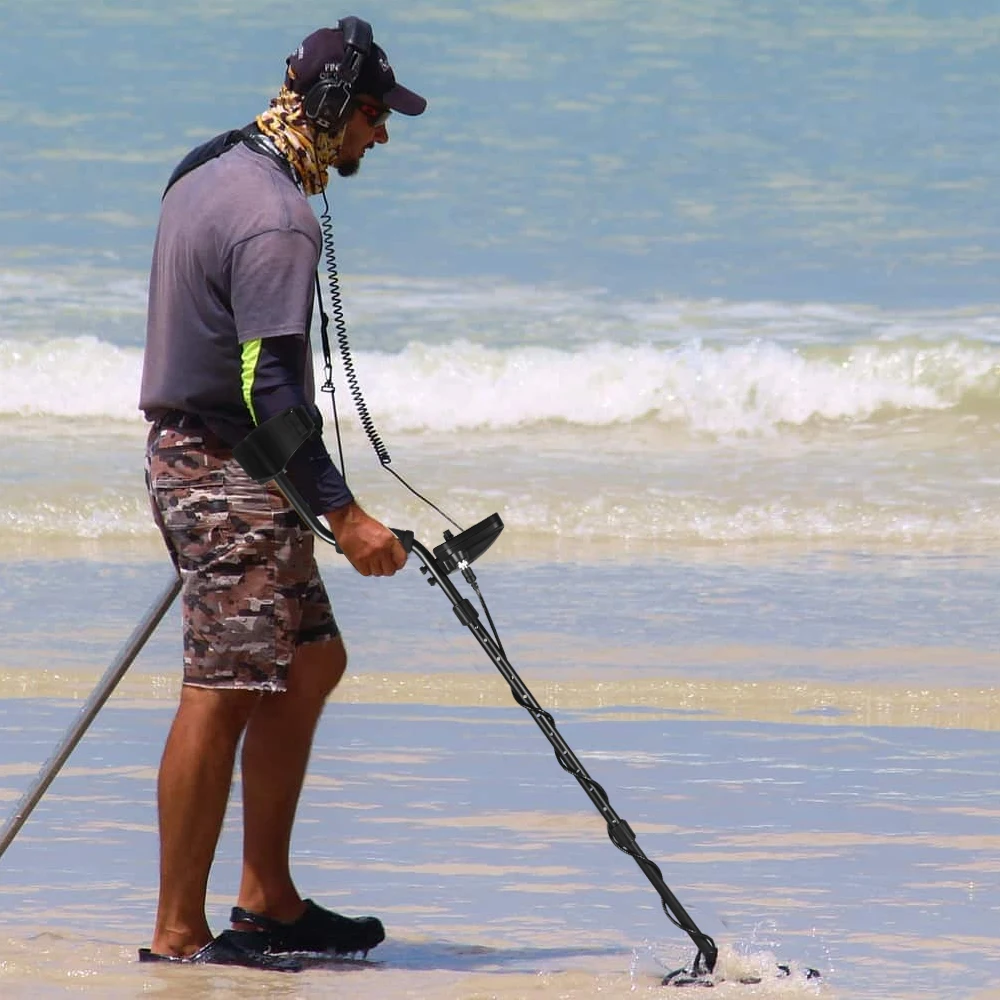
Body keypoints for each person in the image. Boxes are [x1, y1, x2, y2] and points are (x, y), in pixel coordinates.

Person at [137, 20, 425, 971]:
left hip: (216, 457)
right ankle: (178, 934)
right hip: (225, 472)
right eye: (377, 118)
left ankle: (267, 900)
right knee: (222, 689)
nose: (380, 138)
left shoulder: (208, 164)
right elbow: (273, 392)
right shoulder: (278, 219)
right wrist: (346, 516)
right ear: (339, 110)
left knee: (311, 662)